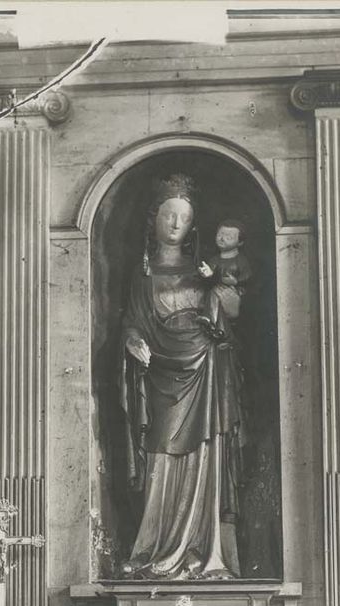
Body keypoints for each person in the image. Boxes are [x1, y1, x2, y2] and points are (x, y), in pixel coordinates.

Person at [120, 173, 248, 580]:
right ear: (154, 218)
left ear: (193, 225)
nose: (176, 223)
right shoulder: (143, 275)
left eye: (185, 217)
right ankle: (152, 547)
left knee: (204, 454)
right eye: (169, 214)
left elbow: (225, 320)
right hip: (161, 375)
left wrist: (221, 309)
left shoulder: (204, 272)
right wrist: (132, 341)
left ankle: (203, 549)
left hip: (205, 370)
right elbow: (132, 321)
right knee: (160, 453)